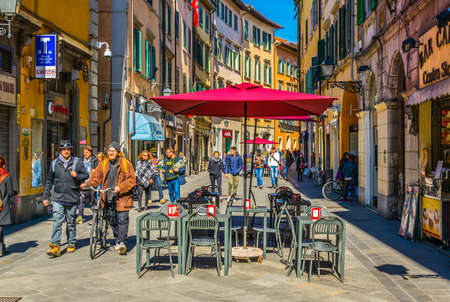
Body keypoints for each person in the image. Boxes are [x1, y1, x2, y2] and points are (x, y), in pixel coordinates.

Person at [82, 141, 136, 255]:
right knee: (112, 220)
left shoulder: (126, 164)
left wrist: (120, 187)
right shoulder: (104, 164)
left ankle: (121, 242)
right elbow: (96, 177)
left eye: (113, 150)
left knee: (122, 219)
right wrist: (89, 184)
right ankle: (118, 237)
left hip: (122, 197)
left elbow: (132, 180)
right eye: (109, 150)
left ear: (118, 152)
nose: (111, 152)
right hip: (107, 196)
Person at [42, 140, 89, 257]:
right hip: (58, 197)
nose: (66, 151)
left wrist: (77, 176)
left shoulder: (77, 162)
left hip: (72, 197)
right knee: (57, 221)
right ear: (60, 151)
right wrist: (46, 196)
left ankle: (71, 242)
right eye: (64, 149)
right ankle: (55, 245)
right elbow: (49, 181)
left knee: (71, 223)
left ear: (71, 150)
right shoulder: (54, 163)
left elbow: (86, 175)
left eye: (68, 149)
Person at [77, 146, 99, 224]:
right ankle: (80, 216)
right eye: (84, 152)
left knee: (92, 201)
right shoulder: (81, 160)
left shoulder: (95, 160)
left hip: (92, 184)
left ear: (90, 152)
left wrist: (91, 182)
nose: (85, 154)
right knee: (81, 200)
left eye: (86, 152)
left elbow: (95, 172)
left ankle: (95, 218)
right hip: (83, 183)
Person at [0, 157, 17, 257]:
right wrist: (15, 192)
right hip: (3, 205)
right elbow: (10, 192)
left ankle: (2, 248)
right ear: (4, 165)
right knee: (0, 227)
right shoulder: (6, 176)